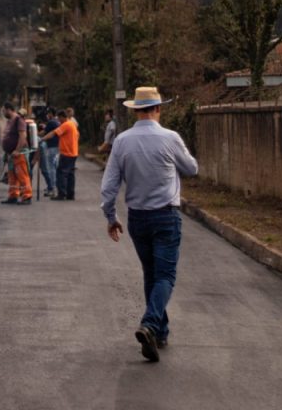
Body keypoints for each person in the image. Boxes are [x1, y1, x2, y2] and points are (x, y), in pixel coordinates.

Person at [100, 87, 198, 363]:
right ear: (157, 109)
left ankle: (161, 331)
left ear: (135, 110)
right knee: (165, 276)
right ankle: (151, 324)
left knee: (151, 274)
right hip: (166, 216)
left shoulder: (121, 141)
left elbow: (109, 186)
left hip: (137, 218)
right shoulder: (170, 138)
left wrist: (111, 217)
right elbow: (192, 169)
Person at [40, 109, 79, 201]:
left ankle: (61, 194)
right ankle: (70, 194)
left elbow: (53, 133)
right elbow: (77, 135)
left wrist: (42, 139)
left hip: (66, 153)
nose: (58, 121)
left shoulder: (66, 125)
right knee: (70, 174)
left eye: (59, 118)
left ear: (62, 117)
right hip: (73, 152)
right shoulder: (72, 124)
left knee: (61, 173)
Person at [0, 101, 32, 205]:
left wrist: (17, 150)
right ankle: (13, 195)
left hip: (19, 153)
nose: (3, 113)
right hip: (11, 154)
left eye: (4, 110)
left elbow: (23, 137)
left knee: (22, 175)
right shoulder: (10, 121)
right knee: (12, 176)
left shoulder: (19, 120)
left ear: (9, 109)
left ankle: (27, 196)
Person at [38, 108, 60, 197]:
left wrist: (36, 135)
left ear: (51, 114)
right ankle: (53, 186)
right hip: (57, 146)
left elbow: (44, 132)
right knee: (54, 166)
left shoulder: (51, 122)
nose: (47, 115)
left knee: (51, 168)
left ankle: (52, 187)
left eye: (48, 113)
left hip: (51, 147)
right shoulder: (56, 122)